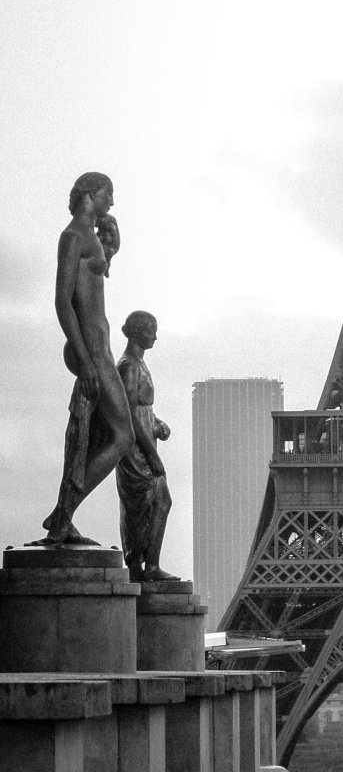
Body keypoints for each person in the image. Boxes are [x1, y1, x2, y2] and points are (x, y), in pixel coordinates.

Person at [40, 173, 137, 545]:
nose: (112, 200)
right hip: (94, 352)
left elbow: (93, 280)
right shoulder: (73, 236)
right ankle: (63, 513)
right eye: (108, 192)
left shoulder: (89, 237)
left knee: (94, 436)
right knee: (123, 434)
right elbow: (63, 301)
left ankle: (63, 514)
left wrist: (111, 248)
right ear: (90, 193)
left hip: (100, 349)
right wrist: (85, 359)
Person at [114, 311, 179, 583]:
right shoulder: (129, 365)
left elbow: (142, 410)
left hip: (143, 443)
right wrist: (152, 455)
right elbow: (128, 414)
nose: (156, 336)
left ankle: (147, 566)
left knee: (153, 504)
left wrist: (158, 423)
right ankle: (142, 566)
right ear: (139, 332)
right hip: (135, 450)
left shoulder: (138, 364)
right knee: (146, 505)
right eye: (152, 330)